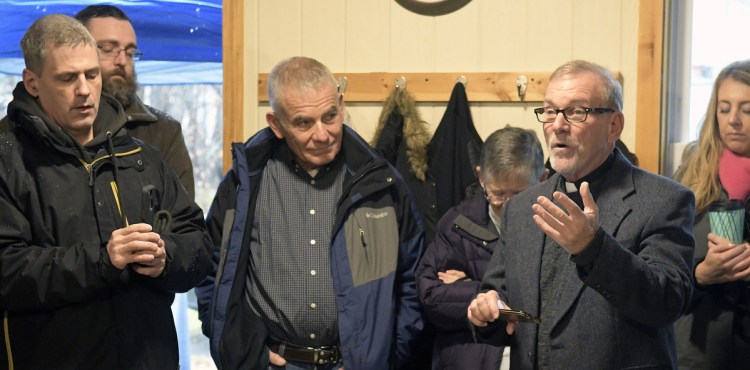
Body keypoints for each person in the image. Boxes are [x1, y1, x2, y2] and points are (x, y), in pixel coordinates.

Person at [0, 14, 212, 370]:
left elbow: (199, 245)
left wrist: (166, 257)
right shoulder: (9, 158)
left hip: (148, 358)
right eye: (67, 78)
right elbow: (7, 269)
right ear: (32, 83)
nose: (84, 90)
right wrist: (102, 261)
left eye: (92, 75)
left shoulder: (141, 154)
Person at [195, 56, 425, 370]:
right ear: (276, 124)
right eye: (304, 123)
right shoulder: (245, 183)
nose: (323, 133)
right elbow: (211, 271)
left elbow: (413, 279)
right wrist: (240, 348)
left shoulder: (381, 184)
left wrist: (385, 356)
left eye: (330, 116)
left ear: (341, 106)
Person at [467, 60, 696, 369]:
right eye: (550, 111)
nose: (558, 125)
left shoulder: (664, 200)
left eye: (576, 111)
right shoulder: (522, 208)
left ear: (614, 125)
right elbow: (497, 293)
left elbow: (667, 302)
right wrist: (487, 311)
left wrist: (593, 248)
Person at [417, 125, 547, 370]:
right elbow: (431, 296)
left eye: (519, 195)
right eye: (498, 195)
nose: (509, 206)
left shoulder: (560, 227)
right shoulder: (457, 224)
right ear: (481, 178)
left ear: (543, 178)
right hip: (470, 359)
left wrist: (473, 288)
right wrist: (491, 295)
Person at [673, 60, 750, 370]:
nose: (733, 120)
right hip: (697, 346)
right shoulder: (691, 170)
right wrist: (701, 275)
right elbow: (661, 266)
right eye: (724, 108)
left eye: (747, 109)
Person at [74, 5, 195, 199]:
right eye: (108, 49)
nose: (122, 61)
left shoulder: (162, 131)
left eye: (130, 52)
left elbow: (184, 221)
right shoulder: (46, 124)